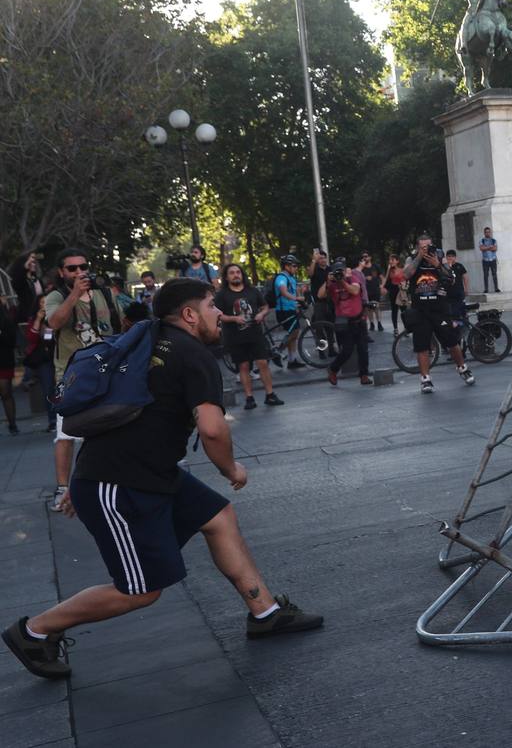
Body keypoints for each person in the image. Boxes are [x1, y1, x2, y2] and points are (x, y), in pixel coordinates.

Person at [3, 278, 322, 680]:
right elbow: (212, 430)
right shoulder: (194, 355)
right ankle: (33, 631)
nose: (219, 314)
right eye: (211, 307)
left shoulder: (150, 339)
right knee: (139, 590)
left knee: (218, 517)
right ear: (189, 314)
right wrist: (231, 469)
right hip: (118, 484)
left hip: (146, 472)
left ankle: (265, 613)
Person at [45, 248, 120, 514]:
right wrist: (75, 294)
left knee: (114, 426)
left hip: (105, 372)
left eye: (83, 267)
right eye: (72, 268)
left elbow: (118, 326)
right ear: (62, 272)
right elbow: (54, 322)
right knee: (65, 434)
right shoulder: (56, 296)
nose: (79, 272)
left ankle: (112, 482)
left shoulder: (103, 293)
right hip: (70, 377)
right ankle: (63, 488)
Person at [403, 235, 475, 393]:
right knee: (421, 346)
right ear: (418, 247)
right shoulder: (412, 259)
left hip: (439, 309)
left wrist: (437, 264)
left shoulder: (440, 258)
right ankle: (425, 380)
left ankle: (462, 368)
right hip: (420, 310)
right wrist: (419, 257)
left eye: (428, 246)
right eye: (423, 247)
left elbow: (451, 277)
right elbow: (406, 274)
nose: (426, 249)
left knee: (451, 341)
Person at [214, 264, 283, 409]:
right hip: (235, 336)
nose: (236, 275)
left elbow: (265, 306)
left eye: (238, 272)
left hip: (255, 334)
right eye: (232, 273)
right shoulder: (222, 295)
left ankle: (270, 394)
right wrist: (234, 319)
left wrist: (261, 314)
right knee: (243, 366)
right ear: (226, 277)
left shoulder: (252, 291)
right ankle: (249, 398)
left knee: (263, 363)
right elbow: (218, 315)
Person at [319, 260, 372, 386]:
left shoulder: (352, 278)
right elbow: (320, 295)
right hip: (345, 323)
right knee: (346, 351)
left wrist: (342, 281)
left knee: (363, 349)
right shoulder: (331, 284)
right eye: (337, 272)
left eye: (341, 271)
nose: (339, 274)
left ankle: (364, 375)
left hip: (359, 320)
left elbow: (354, 291)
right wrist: (328, 281)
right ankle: (333, 369)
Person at [23, 305, 57, 433]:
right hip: (45, 359)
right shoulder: (35, 320)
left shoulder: (56, 314)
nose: (45, 306)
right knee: (49, 389)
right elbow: (33, 338)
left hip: (58, 354)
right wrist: (39, 319)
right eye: (42, 303)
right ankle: (53, 420)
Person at [272, 256, 305, 370]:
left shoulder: (291, 278)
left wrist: (296, 305)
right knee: (294, 332)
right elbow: (284, 292)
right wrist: (297, 299)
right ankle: (278, 352)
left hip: (290, 309)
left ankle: (292, 360)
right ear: (286, 266)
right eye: (294, 266)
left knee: (294, 335)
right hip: (283, 311)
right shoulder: (281, 277)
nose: (296, 268)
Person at [0, 303, 18, 434]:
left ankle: (12, 424)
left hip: (4, 360)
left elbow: (12, 341)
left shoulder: (6, 320)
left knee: (6, 391)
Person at [359, 253, 384, 332]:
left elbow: (382, 278)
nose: (364, 258)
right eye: (363, 257)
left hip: (375, 290)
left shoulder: (376, 266)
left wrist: (382, 286)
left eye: (366, 256)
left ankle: (379, 323)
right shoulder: (361, 268)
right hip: (366, 291)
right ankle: (372, 323)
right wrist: (365, 278)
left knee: (376, 306)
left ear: (370, 257)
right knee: (369, 308)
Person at [384, 254, 405, 336]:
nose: (391, 261)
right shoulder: (389, 271)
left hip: (401, 291)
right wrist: (388, 270)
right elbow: (385, 281)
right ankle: (395, 329)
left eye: (392, 260)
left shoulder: (402, 270)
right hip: (393, 291)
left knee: (404, 310)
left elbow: (405, 279)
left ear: (397, 261)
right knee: (394, 310)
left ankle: (406, 328)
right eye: (390, 260)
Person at [479, 227, 501, 293]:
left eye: (488, 232)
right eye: (486, 232)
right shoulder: (481, 240)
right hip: (485, 260)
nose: (487, 233)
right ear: (484, 233)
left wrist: (486, 248)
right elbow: (482, 248)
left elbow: (495, 249)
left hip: (493, 260)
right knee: (485, 275)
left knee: (494, 274)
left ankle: (496, 288)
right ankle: (486, 289)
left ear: (490, 232)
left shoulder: (494, 240)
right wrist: (490, 247)